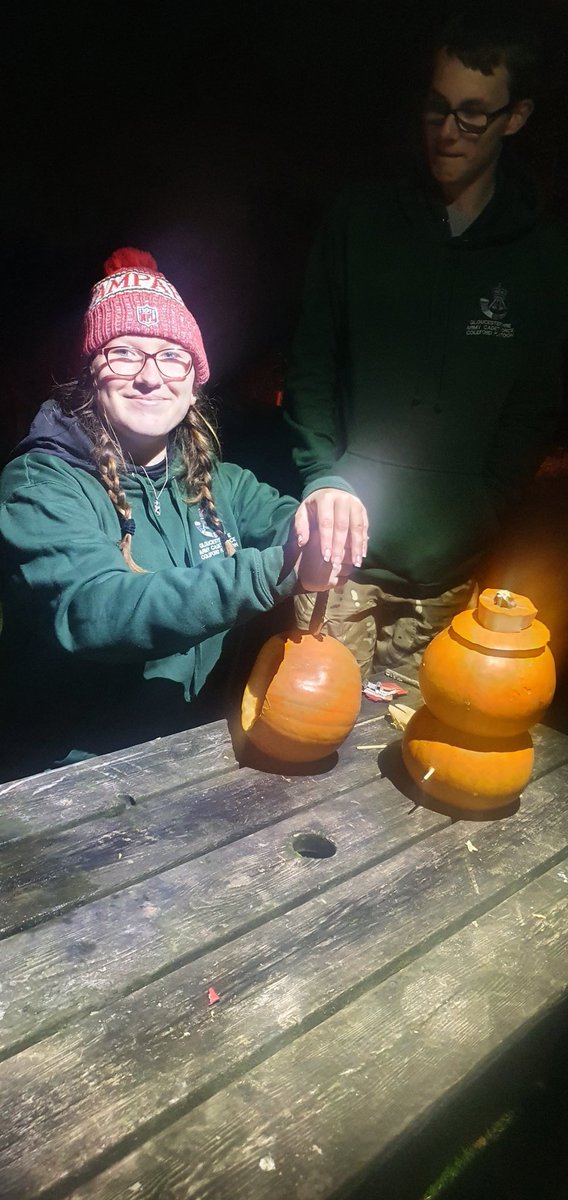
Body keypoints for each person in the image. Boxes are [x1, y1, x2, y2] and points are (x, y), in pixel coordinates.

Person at [0, 248, 366, 781]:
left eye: (172, 356)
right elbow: (94, 609)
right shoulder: (41, 485)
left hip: (186, 754)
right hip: (64, 776)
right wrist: (271, 571)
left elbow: (295, 522)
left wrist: (330, 498)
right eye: (123, 352)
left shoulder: (216, 481)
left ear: (195, 383)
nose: (151, 376)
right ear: (89, 373)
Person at [284, 4, 568, 683]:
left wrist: (483, 505)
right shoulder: (361, 221)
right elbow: (310, 368)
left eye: (474, 113)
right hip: (337, 567)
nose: (448, 131)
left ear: (516, 117)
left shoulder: (543, 260)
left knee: (417, 765)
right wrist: (322, 474)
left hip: (449, 579)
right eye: (437, 108)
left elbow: (533, 407)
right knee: (301, 743)